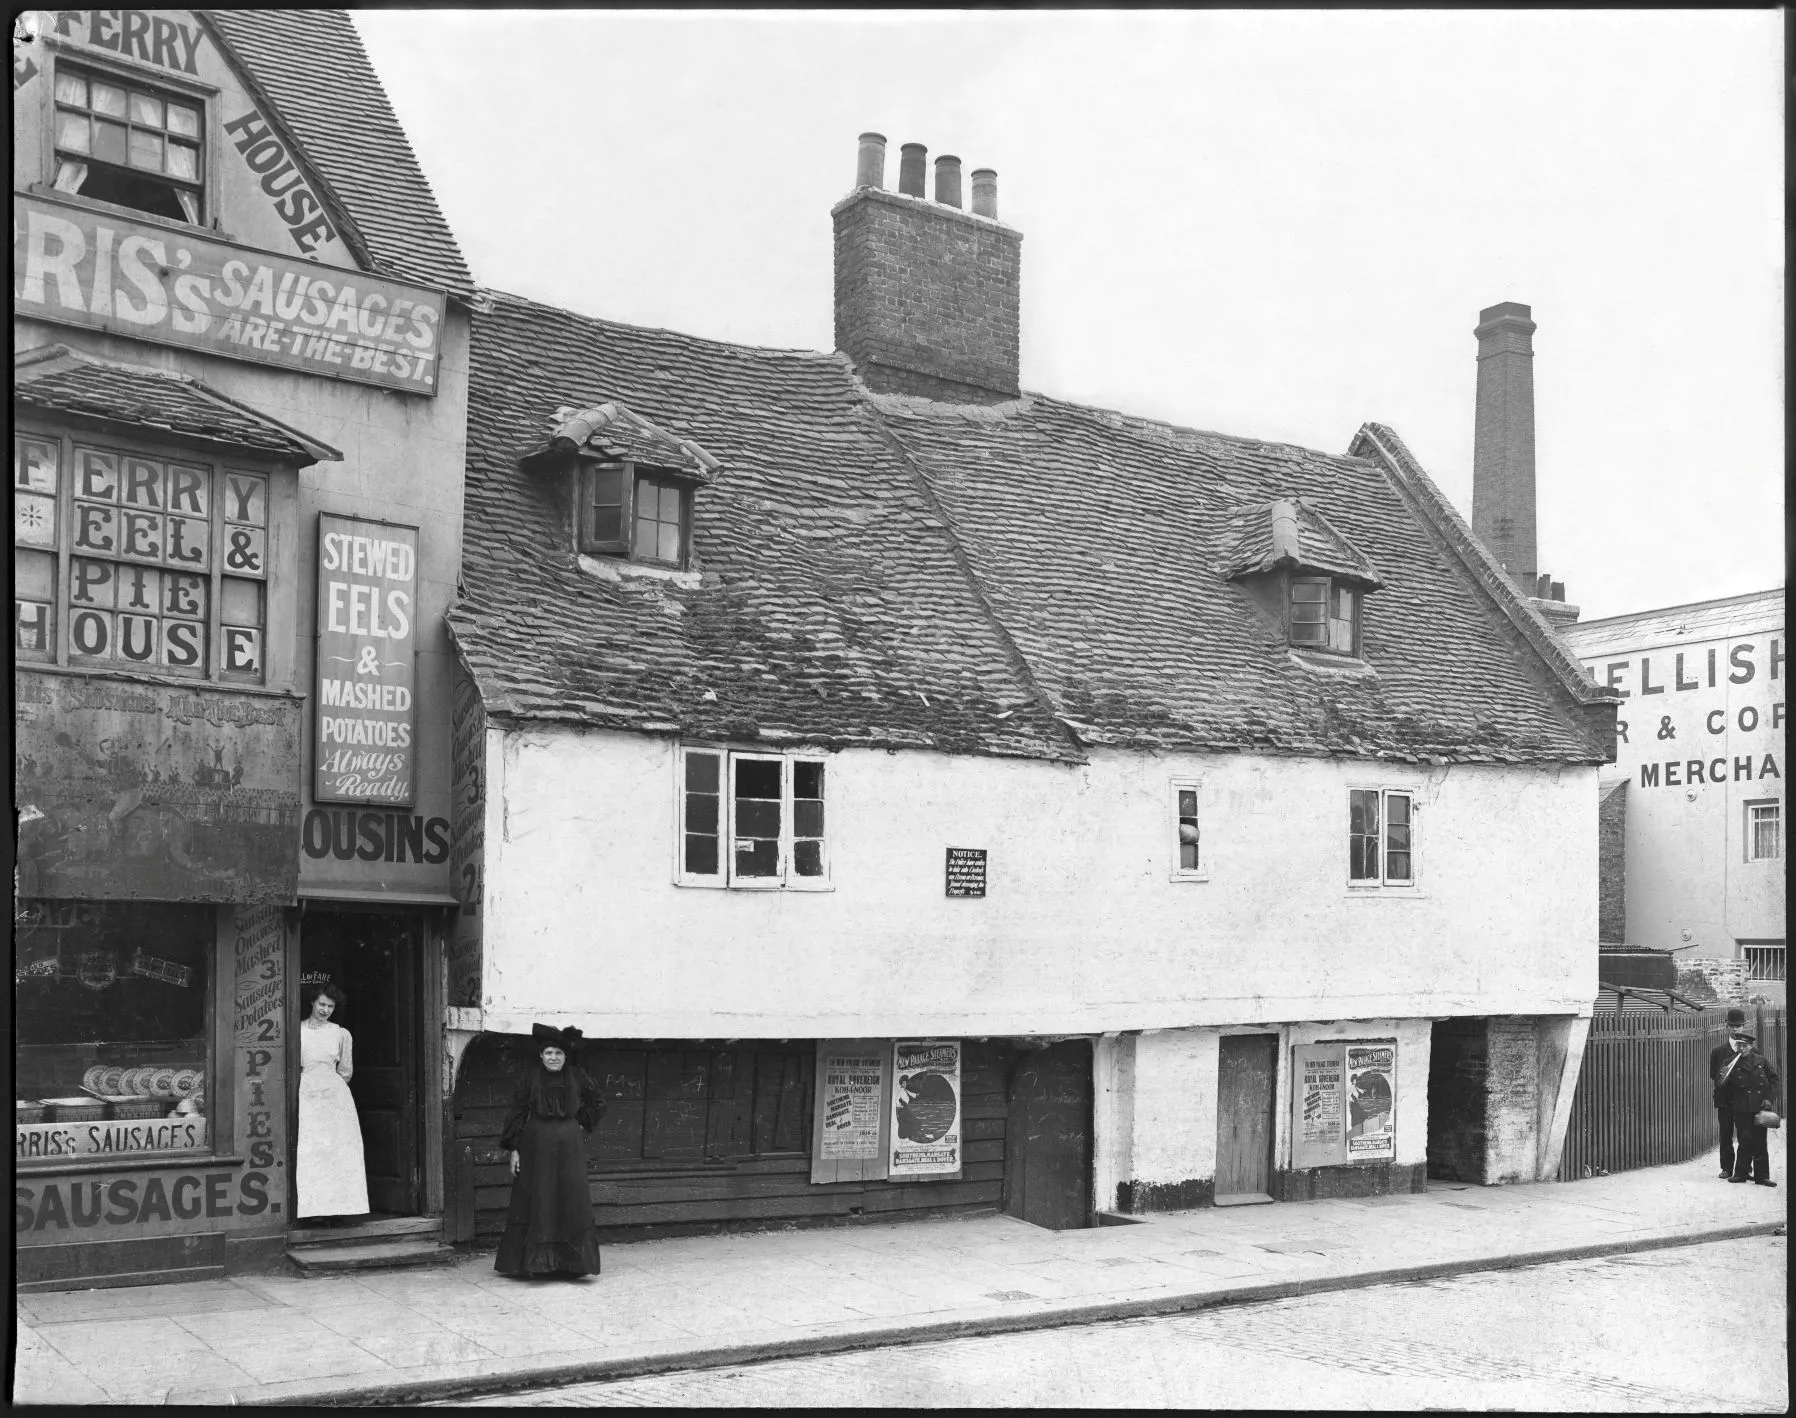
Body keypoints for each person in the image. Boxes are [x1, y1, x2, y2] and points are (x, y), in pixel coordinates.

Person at [495, 1023, 605, 1278]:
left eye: (558, 1053)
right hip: (536, 1145)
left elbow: (598, 1103)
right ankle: (534, 1265)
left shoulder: (577, 1076)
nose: (553, 1058)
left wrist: (580, 1122)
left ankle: (571, 1264)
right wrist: (514, 1149)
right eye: (548, 1053)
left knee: (570, 1196)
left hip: (569, 1146)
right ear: (541, 1056)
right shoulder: (531, 1078)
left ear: (565, 1057)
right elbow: (517, 1112)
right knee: (538, 1196)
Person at [296, 983, 370, 1223]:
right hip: (307, 1094)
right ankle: (313, 1212)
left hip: (335, 1099)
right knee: (312, 1151)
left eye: (330, 1006)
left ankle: (340, 1211)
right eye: (321, 1004)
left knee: (337, 1152)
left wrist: (331, 1089)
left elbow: (345, 1071)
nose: (325, 1010)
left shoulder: (341, 1034)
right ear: (312, 1002)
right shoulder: (298, 1031)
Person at [1716, 1029, 1780, 1188]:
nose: (1741, 1048)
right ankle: (1740, 1173)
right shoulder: (1730, 1062)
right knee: (1744, 1139)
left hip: (1759, 1107)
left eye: (1744, 1046)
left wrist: (1768, 1099)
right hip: (1741, 1106)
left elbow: (1774, 1080)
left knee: (1760, 1141)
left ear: (1751, 1046)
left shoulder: (1761, 1060)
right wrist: (1722, 1076)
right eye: (1739, 1045)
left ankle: (1762, 1176)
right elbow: (1720, 1085)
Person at [1710, 1007, 1748, 1179]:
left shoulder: (1751, 1051)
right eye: (1732, 1025)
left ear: (1744, 1026)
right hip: (1724, 1099)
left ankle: (1743, 1168)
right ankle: (1726, 1168)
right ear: (1727, 1026)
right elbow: (1714, 1075)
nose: (1735, 1029)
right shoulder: (1717, 1052)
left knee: (1744, 1135)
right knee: (1725, 1134)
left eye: (1738, 1026)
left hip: (1743, 1100)